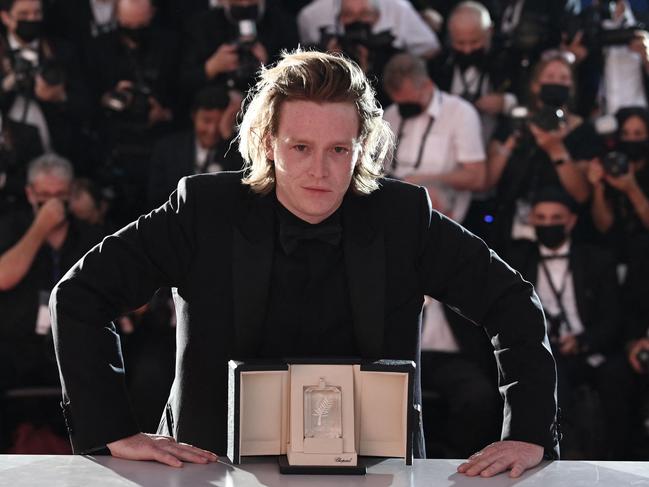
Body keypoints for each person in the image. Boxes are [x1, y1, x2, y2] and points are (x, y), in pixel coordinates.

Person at [50, 50, 558, 477]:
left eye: (339, 149)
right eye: (301, 147)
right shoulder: (203, 209)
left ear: (362, 150)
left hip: (375, 474)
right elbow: (79, 295)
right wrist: (111, 429)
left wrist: (530, 433)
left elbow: (512, 300)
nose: (320, 170)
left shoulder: (404, 217)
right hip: (210, 468)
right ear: (269, 144)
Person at [506, 186, 632, 459]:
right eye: (541, 218)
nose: (548, 224)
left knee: (618, 377)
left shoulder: (597, 260)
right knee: (547, 376)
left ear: (572, 221)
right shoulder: (517, 261)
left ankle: (621, 457)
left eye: (556, 218)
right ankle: (563, 456)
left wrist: (584, 341)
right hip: (544, 348)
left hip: (591, 346)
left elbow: (613, 317)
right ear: (532, 221)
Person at [0, 154, 102, 394]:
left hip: (75, 343)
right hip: (16, 343)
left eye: (59, 196)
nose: (52, 205)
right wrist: (40, 228)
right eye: (44, 196)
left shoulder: (88, 235)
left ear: (70, 195)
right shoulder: (11, 226)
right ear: (30, 194)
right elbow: (3, 277)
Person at [485, 51, 598, 253]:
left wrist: (555, 149)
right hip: (511, 225)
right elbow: (488, 180)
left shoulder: (584, 131)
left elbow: (582, 194)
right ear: (535, 85)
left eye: (563, 78)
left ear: (571, 87)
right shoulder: (515, 123)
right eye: (550, 77)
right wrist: (514, 139)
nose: (556, 83)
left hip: (563, 226)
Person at [382, 52, 486, 224]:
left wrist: (423, 180)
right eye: (400, 104)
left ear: (428, 86)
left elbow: (477, 177)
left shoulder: (460, 113)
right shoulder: (392, 114)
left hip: (441, 215)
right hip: (391, 208)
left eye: (410, 103)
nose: (405, 110)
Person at [147, 85, 243, 210]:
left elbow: (242, 189)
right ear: (194, 116)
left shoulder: (235, 150)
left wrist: (227, 139)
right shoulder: (167, 149)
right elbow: (155, 199)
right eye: (206, 121)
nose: (212, 130)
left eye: (220, 122)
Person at [588, 106, 649, 260]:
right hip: (613, 257)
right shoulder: (607, 164)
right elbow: (603, 226)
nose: (631, 139)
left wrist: (632, 189)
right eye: (625, 133)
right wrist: (598, 187)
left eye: (638, 134)